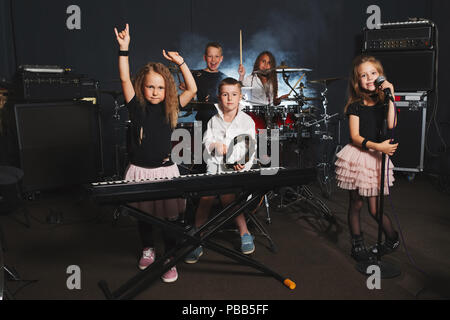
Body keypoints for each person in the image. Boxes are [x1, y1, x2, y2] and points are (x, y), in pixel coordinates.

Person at [114, 24, 197, 282]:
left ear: (167, 90)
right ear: (143, 87)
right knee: (145, 217)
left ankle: (170, 257)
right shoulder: (136, 107)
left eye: (160, 88)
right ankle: (148, 249)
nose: (155, 92)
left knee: (170, 219)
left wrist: (181, 63)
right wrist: (124, 49)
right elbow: (125, 78)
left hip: (165, 171)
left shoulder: (170, 108)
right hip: (140, 171)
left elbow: (192, 89)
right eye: (151, 87)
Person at [335, 55, 400, 262]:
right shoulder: (355, 105)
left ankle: (392, 238)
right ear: (357, 81)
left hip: (375, 160)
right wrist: (378, 146)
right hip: (359, 155)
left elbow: (391, 124)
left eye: (373, 73)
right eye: (364, 75)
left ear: (380, 75)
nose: (369, 78)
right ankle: (357, 243)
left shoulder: (384, 102)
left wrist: (391, 94)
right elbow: (355, 137)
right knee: (356, 204)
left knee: (375, 208)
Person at [184, 78, 257, 264]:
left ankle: (244, 232)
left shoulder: (247, 121)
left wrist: (242, 162)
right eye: (225, 94)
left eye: (234, 94)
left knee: (228, 197)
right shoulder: (213, 120)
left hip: (235, 170)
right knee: (205, 199)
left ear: (240, 97)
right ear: (219, 97)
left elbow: (251, 147)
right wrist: (215, 144)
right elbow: (206, 142)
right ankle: (197, 239)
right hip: (214, 166)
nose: (229, 99)